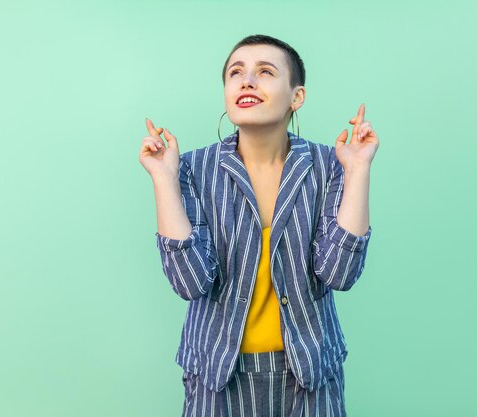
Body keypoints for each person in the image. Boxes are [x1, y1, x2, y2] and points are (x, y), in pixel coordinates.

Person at [139, 34, 379, 417]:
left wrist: (359, 169)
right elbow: (189, 282)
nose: (247, 81)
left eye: (265, 72)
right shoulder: (191, 168)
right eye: (236, 73)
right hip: (216, 374)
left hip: (310, 373)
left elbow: (339, 272)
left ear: (296, 96)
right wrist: (163, 179)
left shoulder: (329, 164)